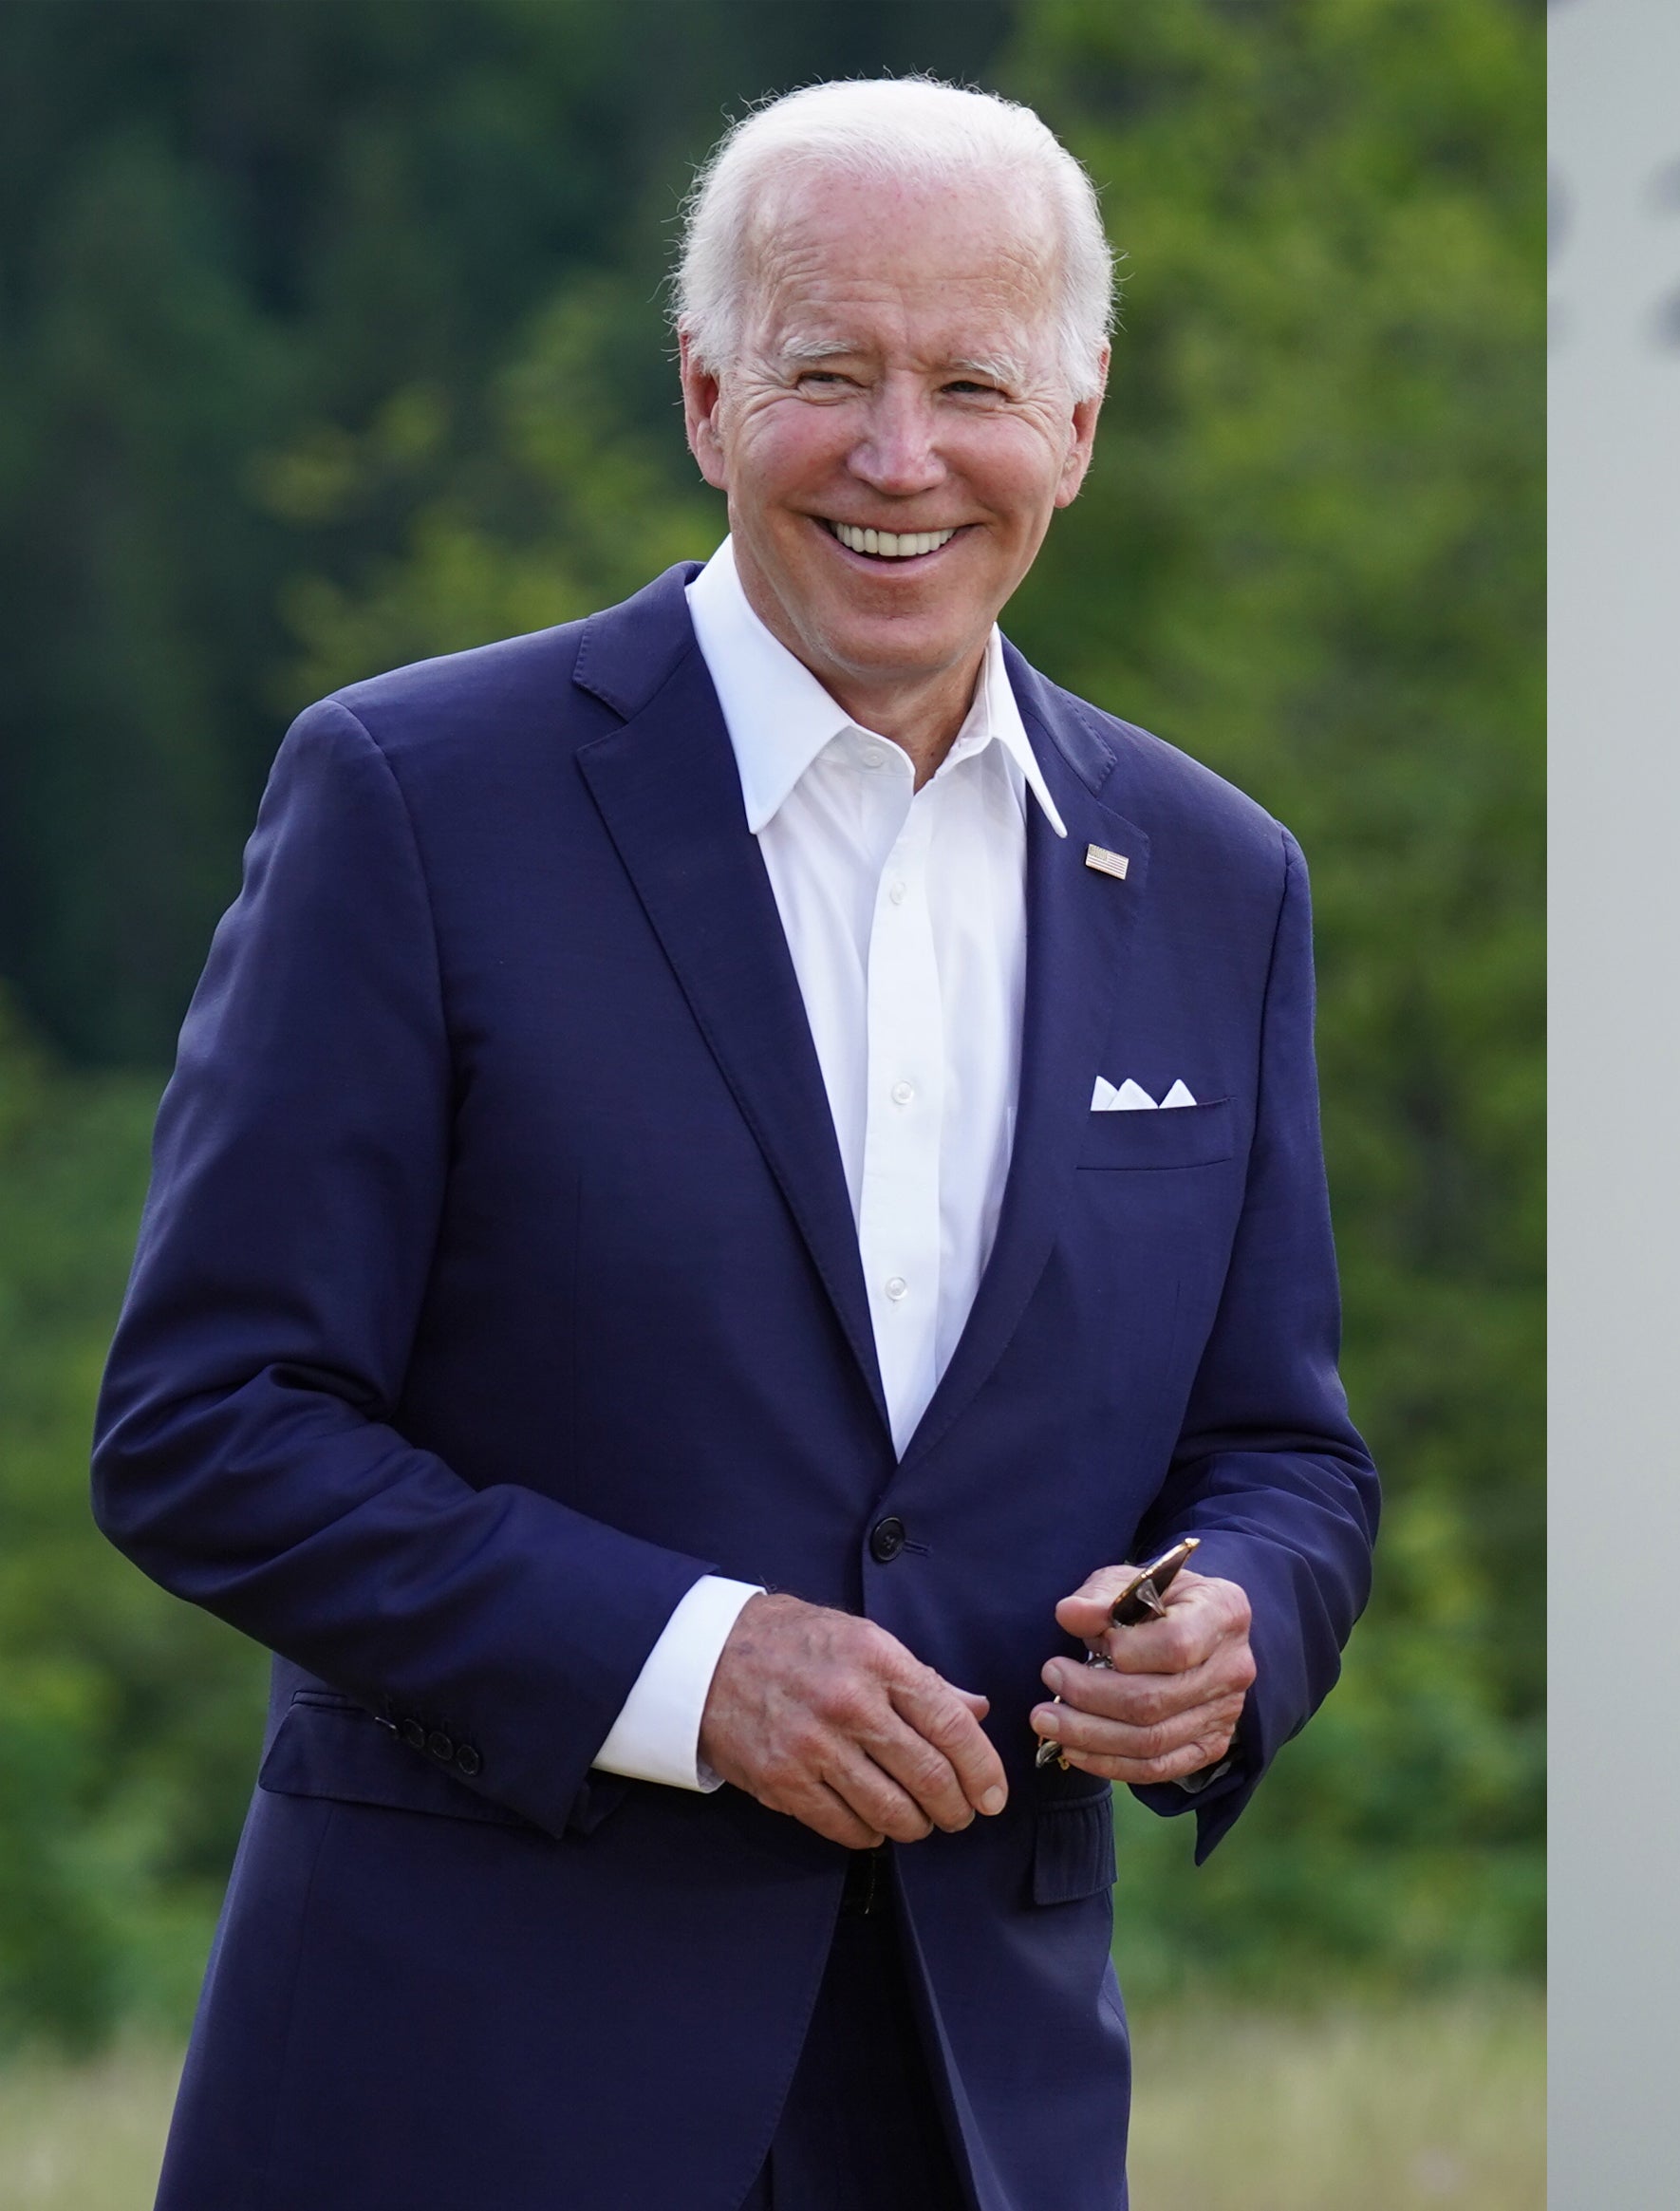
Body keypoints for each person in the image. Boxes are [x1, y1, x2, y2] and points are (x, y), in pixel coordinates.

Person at [92, 78, 1376, 2211]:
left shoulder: (1218, 876)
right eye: (824, 376)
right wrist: (689, 1665)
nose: (898, 457)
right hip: (460, 2090)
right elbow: (206, 1425)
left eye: (971, 381)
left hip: (978, 2106)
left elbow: (1286, 1450)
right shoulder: (411, 799)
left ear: (1076, 418)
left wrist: (1233, 1620)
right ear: (704, 397)